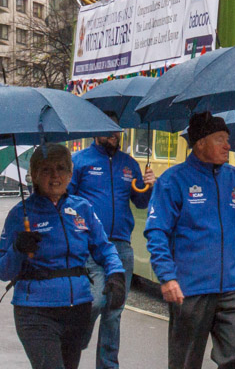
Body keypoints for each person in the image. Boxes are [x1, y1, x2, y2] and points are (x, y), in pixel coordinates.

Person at [145, 112, 235, 369]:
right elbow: (157, 232)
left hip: (232, 286)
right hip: (190, 290)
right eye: (220, 139)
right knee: (185, 362)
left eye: (228, 139)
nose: (228, 146)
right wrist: (167, 276)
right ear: (200, 143)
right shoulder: (172, 181)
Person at [0, 144, 126, 369]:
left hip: (78, 310)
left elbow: (105, 248)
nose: (55, 175)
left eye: (61, 168)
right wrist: (18, 248)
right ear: (34, 174)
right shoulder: (20, 214)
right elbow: (3, 271)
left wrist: (116, 273)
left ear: (70, 172)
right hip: (36, 312)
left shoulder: (82, 208)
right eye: (46, 170)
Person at [69, 127, 156, 369]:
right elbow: (66, 200)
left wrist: (149, 185)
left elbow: (140, 201)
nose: (114, 136)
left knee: (115, 310)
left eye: (117, 132)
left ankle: (108, 365)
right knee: (96, 300)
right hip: (90, 245)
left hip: (121, 245)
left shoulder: (129, 164)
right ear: (96, 132)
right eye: (108, 132)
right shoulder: (80, 161)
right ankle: (74, 341)